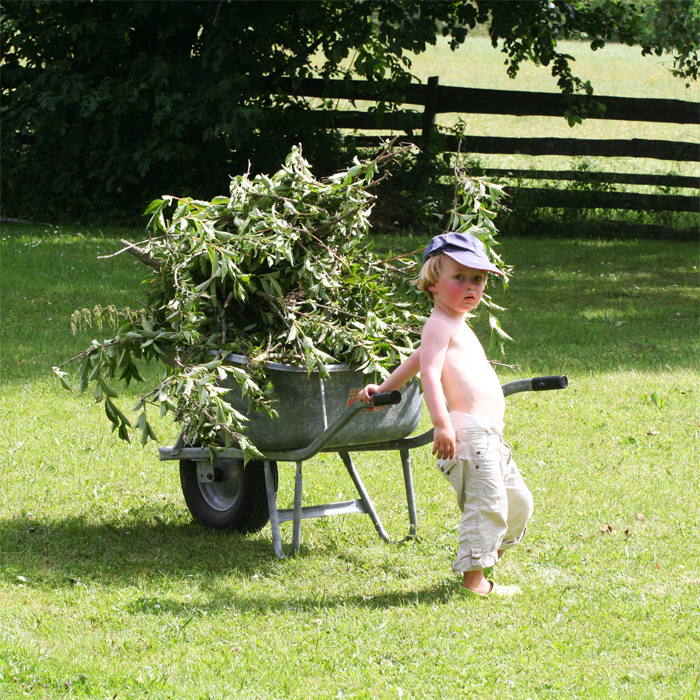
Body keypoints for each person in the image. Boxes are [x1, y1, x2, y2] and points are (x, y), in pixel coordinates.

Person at [358, 231, 532, 598]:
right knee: (487, 507)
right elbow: (430, 374)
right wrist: (441, 423)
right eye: (460, 277)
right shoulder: (438, 324)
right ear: (432, 282)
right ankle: (474, 582)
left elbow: (415, 360)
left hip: (491, 435)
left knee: (518, 504)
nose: (471, 286)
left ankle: (485, 560)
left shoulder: (457, 322)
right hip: (469, 435)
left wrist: (385, 389)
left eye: (478, 279)